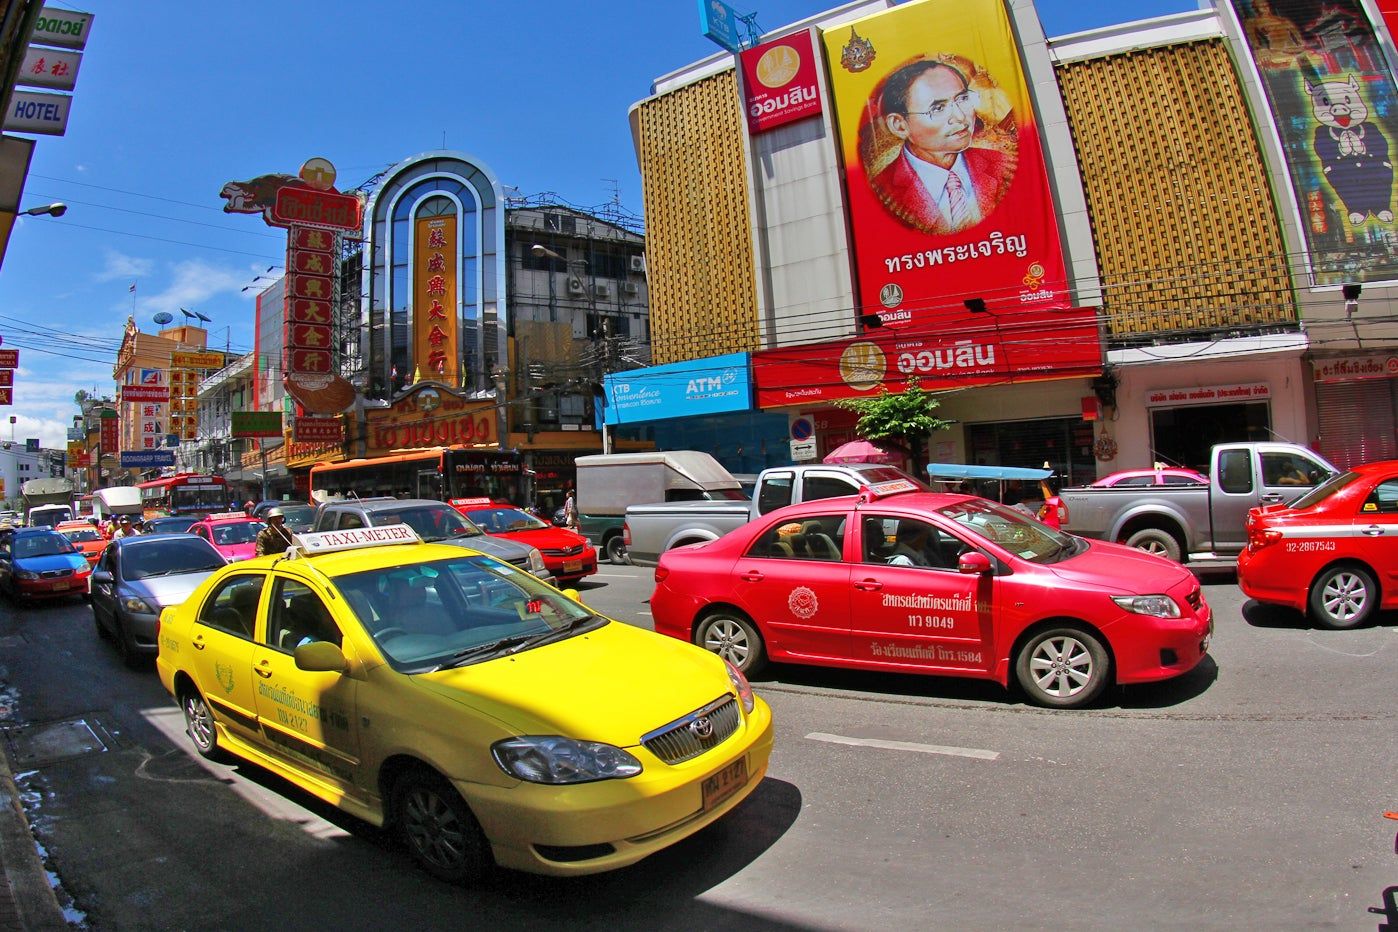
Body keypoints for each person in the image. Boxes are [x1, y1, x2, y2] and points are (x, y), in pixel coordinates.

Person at [869, 60, 1014, 235]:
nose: (960, 117)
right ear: (899, 125)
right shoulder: (880, 194)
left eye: (962, 99)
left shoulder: (1003, 165)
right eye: (938, 108)